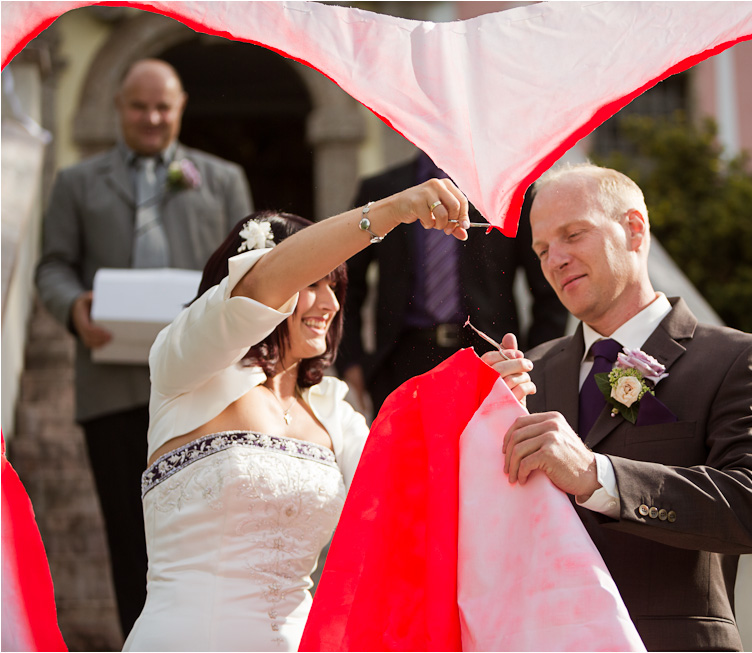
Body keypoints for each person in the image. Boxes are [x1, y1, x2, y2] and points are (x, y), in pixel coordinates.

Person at [123, 179, 472, 651]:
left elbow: (405, 491)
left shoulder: (334, 411)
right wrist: (389, 212)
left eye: (336, 287)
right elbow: (263, 289)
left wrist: (478, 392)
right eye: (312, 283)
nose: (328, 304)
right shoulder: (184, 367)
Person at [483, 163, 752, 651]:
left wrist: (597, 475)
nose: (555, 260)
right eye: (542, 249)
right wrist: (476, 420)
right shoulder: (527, 375)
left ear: (633, 228)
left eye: (573, 234)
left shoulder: (738, 360)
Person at [34, 58, 253, 634]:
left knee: (200, 535)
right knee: (129, 537)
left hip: (202, 391)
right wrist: (73, 306)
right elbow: (51, 266)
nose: (152, 118)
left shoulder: (223, 179)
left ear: (180, 107)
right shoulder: (76, 182)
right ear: (118, 108)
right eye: (139, 106)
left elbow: (248, 270)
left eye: (163, 106)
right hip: (110, 390)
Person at [338, 152, 566, 416]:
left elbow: (547, 289)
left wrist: (536, 364)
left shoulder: (507, 189)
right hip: (400, 363)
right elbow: (347, 283)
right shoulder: (382, 189)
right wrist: (350, 360)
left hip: (489, 360)